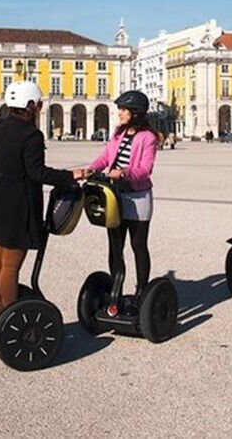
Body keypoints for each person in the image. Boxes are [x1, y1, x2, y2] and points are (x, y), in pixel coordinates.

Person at [0, 81, 82, 322]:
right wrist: (70, 176)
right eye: (38, 104)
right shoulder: (31, 135)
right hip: (18, 207)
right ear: (30, 106)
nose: (39, 108)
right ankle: (9, 318)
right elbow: (37, 173)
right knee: (11, 266)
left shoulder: (0, 127)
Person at [78, 90, 159, 310]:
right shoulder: (118, 133)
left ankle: (142, 292)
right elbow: (106, 157)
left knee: (138, 245)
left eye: (123, 110)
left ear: (135, 113)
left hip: (138, 196)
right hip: (115, 195)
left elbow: (145, 169)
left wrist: (123, 172)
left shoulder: (148, 137)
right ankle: (116, 291)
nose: (119, 113)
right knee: (115, 246)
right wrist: (90, 169)